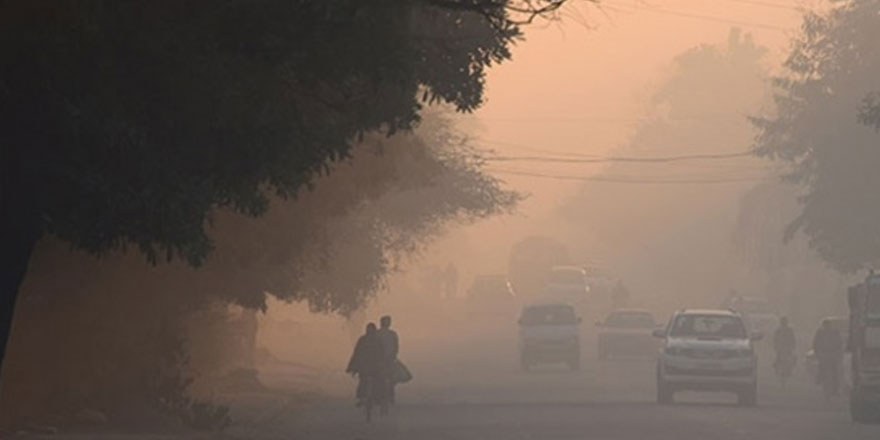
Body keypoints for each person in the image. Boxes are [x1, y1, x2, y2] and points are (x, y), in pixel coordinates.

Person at [346, 323, 389, 407]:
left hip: (366, 367)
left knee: (364, 381)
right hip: (373, 367)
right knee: (377, 381)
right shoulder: (377, 340)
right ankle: (379, 398)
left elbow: (356, 354)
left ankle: (362, 399)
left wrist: (352, 367)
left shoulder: (362, 340)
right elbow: (382, 355)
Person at [812, 319, 844, 395]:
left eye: (827, 325)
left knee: (834, 371)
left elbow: (839, 343)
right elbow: (815, 343)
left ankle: (835, 389)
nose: (827, 326)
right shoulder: (820, 333)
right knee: (822, 367)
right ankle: (819, 379)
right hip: (824, 353)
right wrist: (817, 352)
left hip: (831, 353)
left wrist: (838, 352)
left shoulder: (834, 332)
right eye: (826, 325)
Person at [377, 315, 399, 403]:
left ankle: (381, 395)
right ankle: (391, 396)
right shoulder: (393, 334)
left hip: (380, 360)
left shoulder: (377, 333)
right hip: (389, 359)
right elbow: (396, 347)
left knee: (379, 377)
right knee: (392, 378)